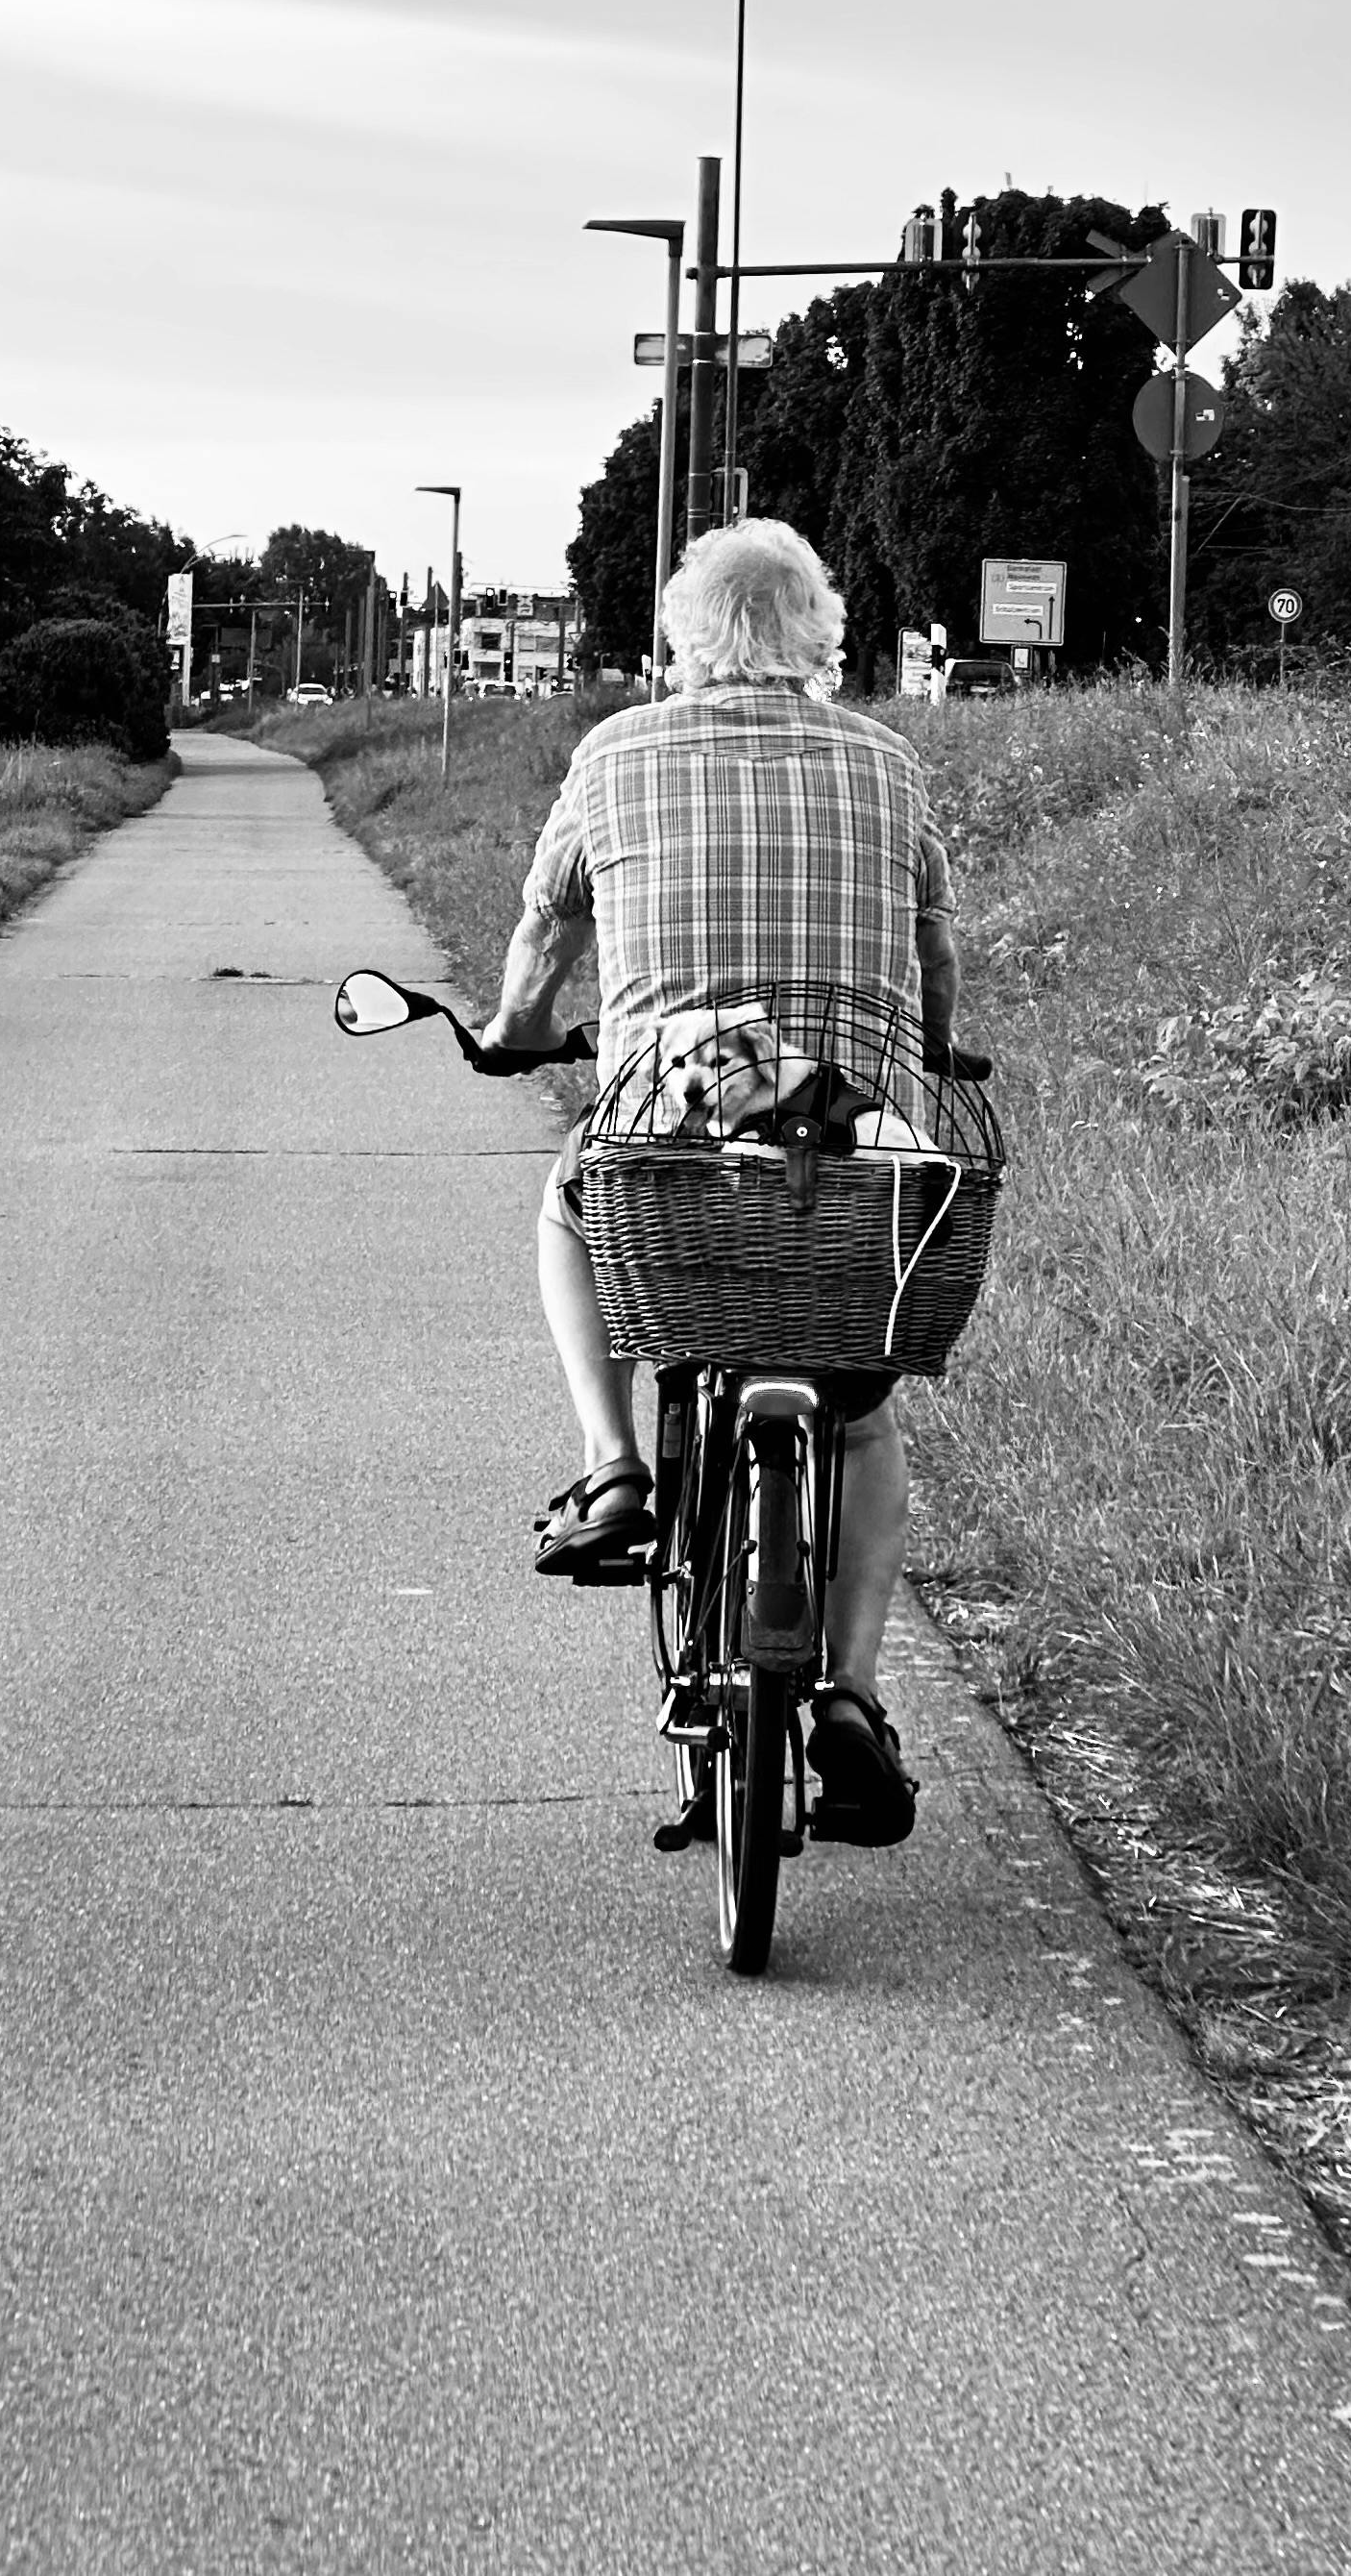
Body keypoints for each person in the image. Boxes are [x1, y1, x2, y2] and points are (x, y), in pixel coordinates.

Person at [479, 518, 962, 1843]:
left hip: (668, 1130)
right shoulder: (884, 757)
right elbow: (928, 947)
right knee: (858, 1419)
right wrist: (932, 1045)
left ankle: (613, 1464)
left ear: (684, 635)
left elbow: (545, 925)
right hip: (851, 1137)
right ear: (820, 633)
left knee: (572, 1203)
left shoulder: (617, 751)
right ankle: (851, 1701)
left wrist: (518, 1031)